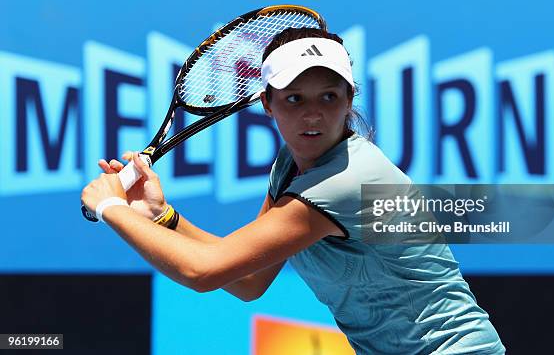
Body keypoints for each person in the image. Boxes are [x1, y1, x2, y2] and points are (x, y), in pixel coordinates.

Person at [81, 27, 505, 354]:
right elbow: (250, 279)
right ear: (267, 102)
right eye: (295, 99)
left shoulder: (346, 182)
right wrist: (162, 217)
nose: (313, 115)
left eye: (328, 96)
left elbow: (202, 271)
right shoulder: (291, 166)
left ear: (349, 97)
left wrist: (112, 208)